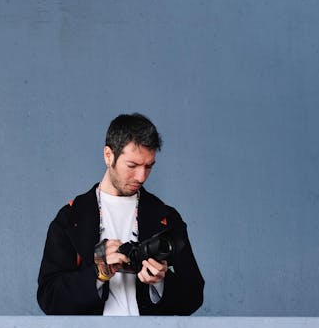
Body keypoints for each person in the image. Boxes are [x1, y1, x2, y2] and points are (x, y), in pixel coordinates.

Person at [37, 113, 204, 315]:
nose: (141, 176)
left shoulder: (167, 218)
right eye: (132, 166)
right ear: (108, 155)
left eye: (149, 166)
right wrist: (98, 274)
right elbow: (49, 298)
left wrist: (160, 283)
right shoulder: (71, 217)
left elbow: (194, 295)